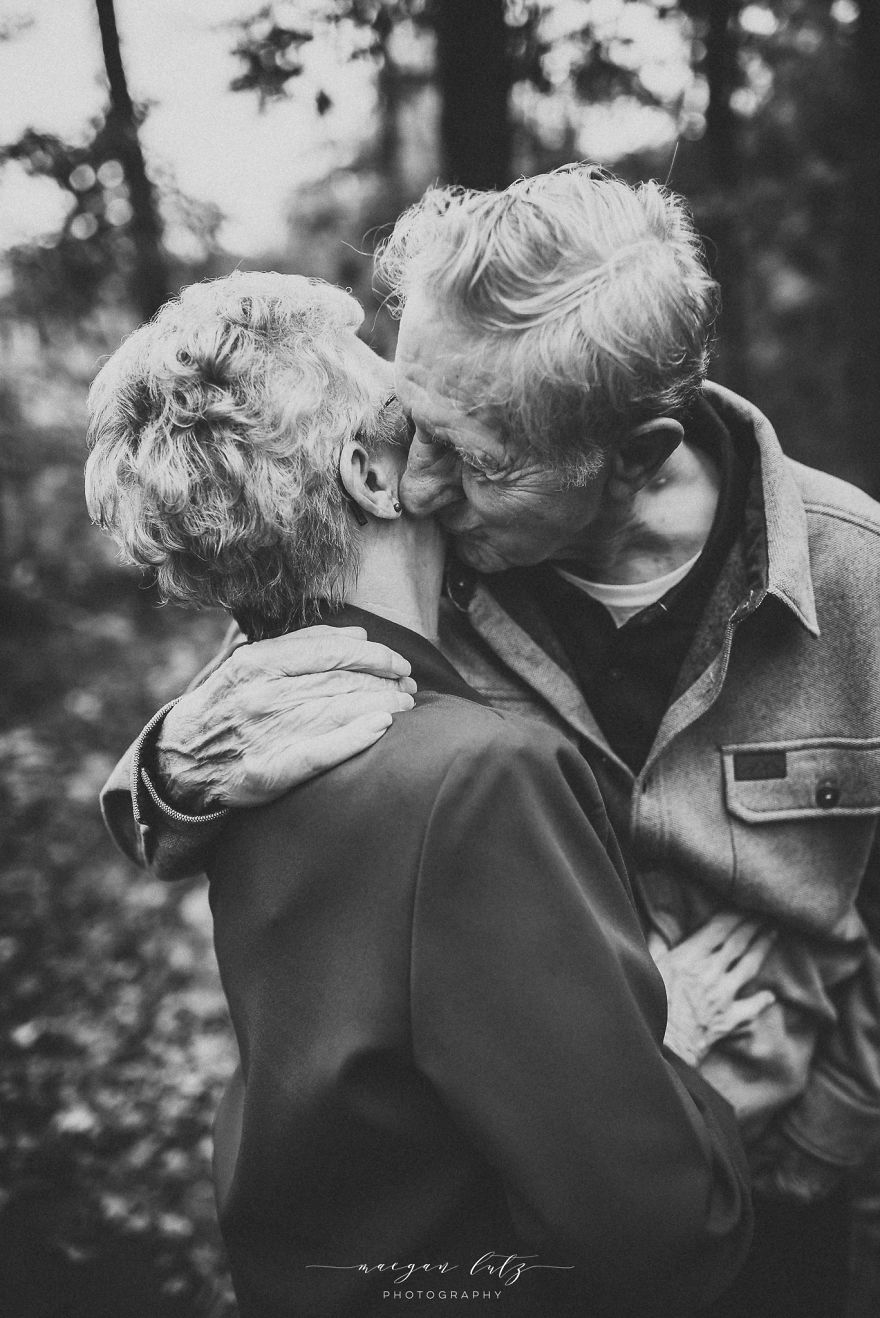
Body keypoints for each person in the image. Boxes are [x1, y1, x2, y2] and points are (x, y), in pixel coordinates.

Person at [100, 168, 880, 1317]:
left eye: (472, 459)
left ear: (633, 452)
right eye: (412, 423)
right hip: (539, 1217)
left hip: (787, 1183)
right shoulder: (414, 560)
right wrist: (167, 772)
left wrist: (832, 1132)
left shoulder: (858, 576)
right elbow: (209, 762)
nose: (416, 478)